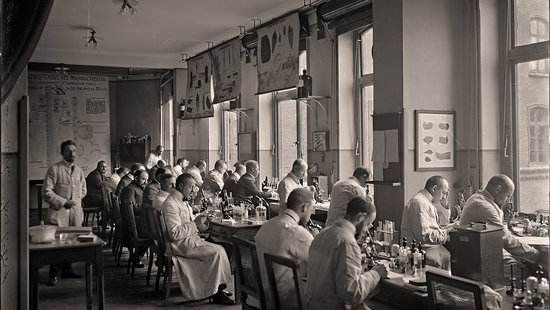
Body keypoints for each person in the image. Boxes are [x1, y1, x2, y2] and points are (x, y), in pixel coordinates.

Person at [160, 173, 235, 304]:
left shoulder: (180, 200)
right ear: (181, 185)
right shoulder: (170, 204)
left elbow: (187, 223)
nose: (193, 190)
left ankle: (216, 287)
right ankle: (216, 293)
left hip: (189, 239)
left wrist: (200, 223)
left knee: (228, 247)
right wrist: (195, 224)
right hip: (181, 245)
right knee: (219, 251)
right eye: (191, 187)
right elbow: (174, 234)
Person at [306, 197, 388, 310]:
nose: (367, 230)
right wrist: (376, 273)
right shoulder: (347, 242)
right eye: (368, 224)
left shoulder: (322, 234)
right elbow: (351, 293)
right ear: (361, 217)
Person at [460, 174, 544, 275]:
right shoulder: (483, 206)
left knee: (523, 262)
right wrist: (536, 254)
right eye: (508, 196)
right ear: (498, 189)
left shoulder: (481, 199)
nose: (508, 201)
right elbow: (505, 240)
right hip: (479, 257)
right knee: (520, 271)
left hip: (482, 252)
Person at [255, 188, 317, 309]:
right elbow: (320, 260)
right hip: (284, 298)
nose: (311, 214)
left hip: (260, 292)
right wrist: (316, 237)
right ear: (304, 207)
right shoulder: (297, 232)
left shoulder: (267, 224)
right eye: (311, 210)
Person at [42, 140, 87, 286]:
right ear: (62, 153)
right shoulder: (54, 169)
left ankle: (67, 270)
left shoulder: (79, 170)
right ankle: (54, 273)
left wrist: (75, 201)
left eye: (74, 151)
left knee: (71, 242)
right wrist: (63, 202)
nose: (72, 153)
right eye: (68, 151)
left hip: (74, 213)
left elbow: (83, 190)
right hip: (59, 213)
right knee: (57, 244)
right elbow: (46, 192)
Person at [400, 176, 452, 269]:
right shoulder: (419, 203)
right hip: (422, 251)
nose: (444, 197)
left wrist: (446, 205)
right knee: (455, 258)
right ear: (434, 188)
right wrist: (446, 233)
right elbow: (424, 235)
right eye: (444, 193)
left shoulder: (425, 201)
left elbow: (438, 226)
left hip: (429, 248)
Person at [120, 169, 150, 267]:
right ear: (136, 178)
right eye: (143, 179)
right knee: (151, 233)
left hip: (137, 220)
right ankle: (136, 258)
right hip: (132, 224)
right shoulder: (129, 189)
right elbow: (131, 209)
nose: (145, 182)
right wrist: (146, 205)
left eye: (147, 180)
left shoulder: (140, 188)